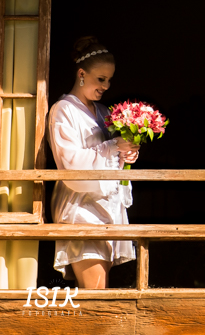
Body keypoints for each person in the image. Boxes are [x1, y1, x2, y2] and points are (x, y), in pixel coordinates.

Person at [46, 36, 140, 289]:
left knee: (100, 289)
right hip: (82, 206)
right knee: (95, 292)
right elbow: (69, 163)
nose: (107, 86)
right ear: (81, 74)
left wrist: (126, 153)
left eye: (109, 80)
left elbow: (113, 156)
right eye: (101, 79)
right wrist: (111, 146)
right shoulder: (64, 110)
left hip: (108, 205)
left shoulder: (104, 112)